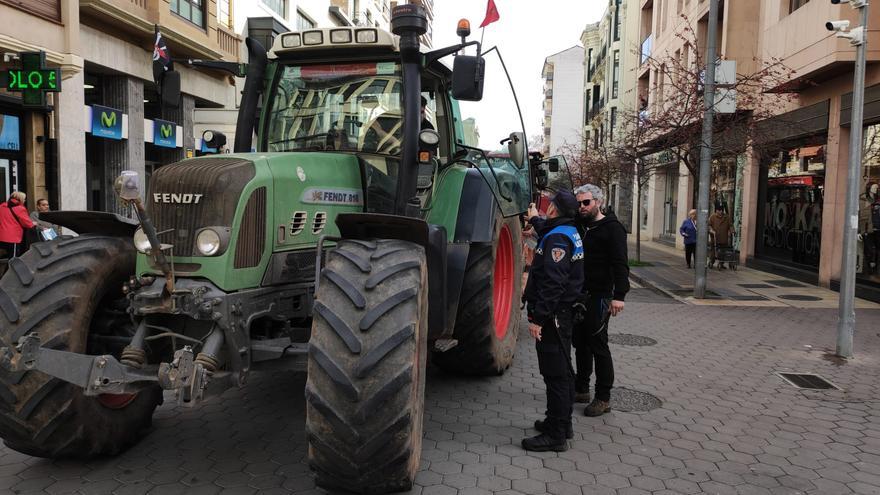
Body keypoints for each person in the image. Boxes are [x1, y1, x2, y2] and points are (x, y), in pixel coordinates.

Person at [521, 191, 584, 452]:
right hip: (563, 313)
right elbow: (545, 228)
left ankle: (556, 435)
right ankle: (560, 422)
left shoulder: (558, 238)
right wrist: (535, 219)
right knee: (562, 370)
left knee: (555, 374)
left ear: (555, 210)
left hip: (554, 316)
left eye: (549, 207)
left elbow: (553, 284)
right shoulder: (567, 230)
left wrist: (538, 318)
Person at [573, 184, 629, 417]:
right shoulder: (580, 225)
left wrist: (619, 296)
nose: (582, 207)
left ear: (598, 201)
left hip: (601, 296)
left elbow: (620, 264)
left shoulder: (613, 228)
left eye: (586, 202)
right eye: (579, 203)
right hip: (580, 294)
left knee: (598, 344)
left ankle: (603, 397)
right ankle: (581, 388)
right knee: (580, 343)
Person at [0, 191, 35, 258]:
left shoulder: (2, 206)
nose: (25, 201)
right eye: (24, 199)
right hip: (13, 237)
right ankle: (9, 269)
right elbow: (27, 223)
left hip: (2, 236)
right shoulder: (20, 209)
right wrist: (33, 223)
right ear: (20, 199)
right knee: (13, 258)